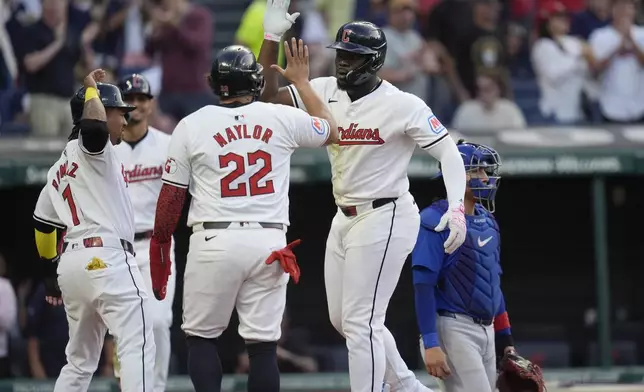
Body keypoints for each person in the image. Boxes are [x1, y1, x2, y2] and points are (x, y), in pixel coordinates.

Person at [258, 2, 468, 391]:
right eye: (341, 54)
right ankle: (406, 385)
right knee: (344, 320)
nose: (342, 63)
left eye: (352, 56)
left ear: (373, 61)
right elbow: (265, 98)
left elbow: (449, 153)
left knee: (360, 323)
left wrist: (457, 207)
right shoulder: (321, 90)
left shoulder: (402, 103)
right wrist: (270, 39)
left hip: (386, 212)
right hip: (345, 216)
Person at [148, 44, 339, 392]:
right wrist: (302, 83)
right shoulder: (279, 116)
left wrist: (160, 245)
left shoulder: (192, 125)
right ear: (254, 82)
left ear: (214, 82)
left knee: (201, 338)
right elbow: (332, 129)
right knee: (263, 347)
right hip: (268, 243)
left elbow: (171, 198)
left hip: (214, 239)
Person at [32, 69, 156, 392]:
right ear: (97, 110)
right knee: (137, 341)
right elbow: (94, 129)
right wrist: (91, 89)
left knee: (79, 361)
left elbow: (44, 225)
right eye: (119, 113)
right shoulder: (94, 148)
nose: (125, 121)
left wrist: (50, 277)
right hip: (108, 258)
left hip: (72, 266)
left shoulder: (59, 166)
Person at [412, 140, 515, 392]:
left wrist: (506, 338)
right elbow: (422, 285)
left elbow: (492, 281)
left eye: (484, 171)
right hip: (453, 326)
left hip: (488, 328)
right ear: (453, 174)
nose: (484, 177)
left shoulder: (487, 220)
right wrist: (431, 342)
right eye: (475, 171)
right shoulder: (434, 219)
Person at [113, 73, 175, 392]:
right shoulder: (107, 151)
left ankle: (157, 388)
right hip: (117, 248)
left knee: (160, 323)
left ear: (150, 105)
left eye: (141, 99)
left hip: (156, 243)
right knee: (125, 329)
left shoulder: (168, 145)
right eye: (129, 99)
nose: (135, 104)